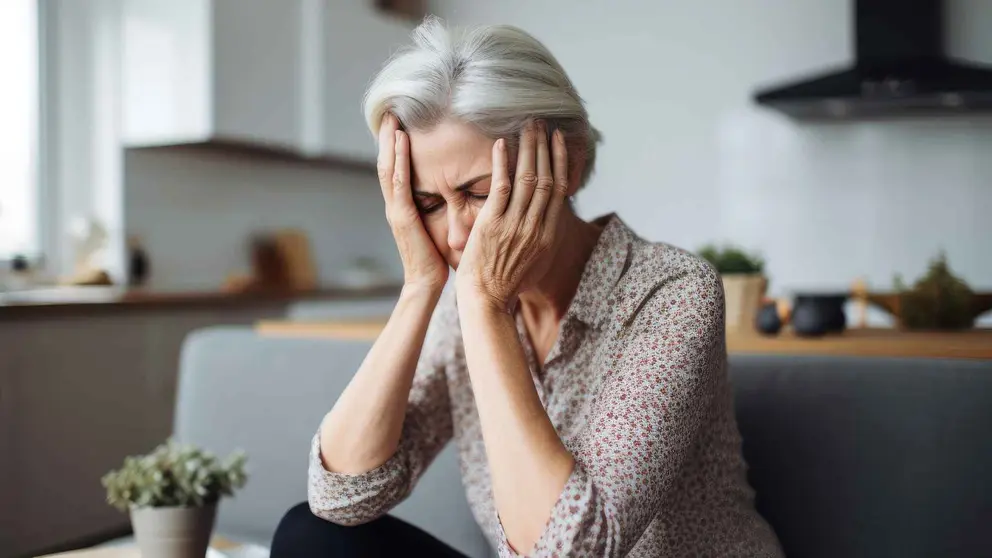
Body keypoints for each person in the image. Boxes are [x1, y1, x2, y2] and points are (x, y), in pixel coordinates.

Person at [271, 16, 783, 558]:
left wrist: (486, 306)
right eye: (429, 205)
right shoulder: (459, 305)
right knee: (311, 536)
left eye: (480, 193)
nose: (460, 232)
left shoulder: (673, 293)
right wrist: (421, 285)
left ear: (566, 164)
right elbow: (341, 496)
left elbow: (572, 550)